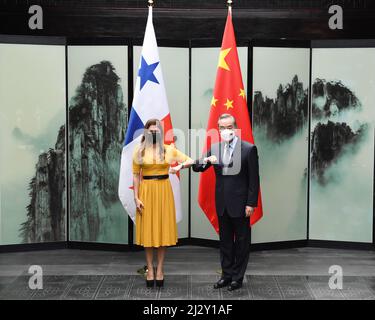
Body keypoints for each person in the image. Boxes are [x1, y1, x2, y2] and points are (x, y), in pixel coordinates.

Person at [192, 113, 260, 291]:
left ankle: (238, 277)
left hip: (241, 204)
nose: (226, 130)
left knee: (242, 242)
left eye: (229, 127)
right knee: (225, 242)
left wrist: (251, 204)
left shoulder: (248, 149)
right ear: (218, 129)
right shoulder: (214, 148)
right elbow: (197, 167)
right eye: (222, 127)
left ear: (235, 128)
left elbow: (254, 180)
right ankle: (226, 275)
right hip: (222, 204)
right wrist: (206, 160)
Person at [132, 118, 194, 288]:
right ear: (146, 132)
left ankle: (160, 269)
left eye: (156, 130)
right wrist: (136, 198)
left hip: (164, 192)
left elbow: (189, 160)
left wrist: (178, 168)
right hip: (146, 193)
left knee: (161, 231)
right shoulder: (139, 151)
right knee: (148, 233)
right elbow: (136, 175)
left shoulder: (169, 150)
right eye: (150, 130)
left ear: (161, 132)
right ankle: (150, 270)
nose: (153, 133)